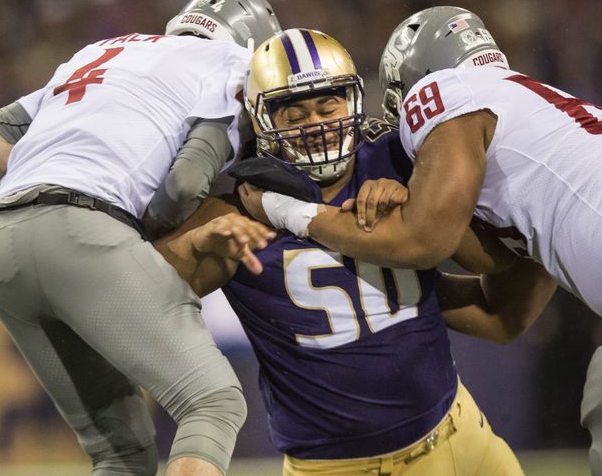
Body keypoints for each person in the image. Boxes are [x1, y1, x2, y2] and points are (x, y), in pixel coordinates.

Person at [239, 7, 602, 476]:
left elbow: (424, 242)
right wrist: (385, 283)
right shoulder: (529, 117)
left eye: (328, 105)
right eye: (296, 112)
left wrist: (289, 211)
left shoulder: (446, 94)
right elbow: (504, 314)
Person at [158, 28, 533, 475]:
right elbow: (144, 295)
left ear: (353, 100)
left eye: (326, 105)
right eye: (293, 114)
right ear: (262, 123)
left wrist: (418, 208)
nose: (315, 125)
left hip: (459, 434)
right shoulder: (239, 204)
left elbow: (496, 260)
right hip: (334, 468)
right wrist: (195, 243)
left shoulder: (399, 159)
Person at [0, 0, 281, 476]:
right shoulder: (230, 66)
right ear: (254, 43)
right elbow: (186, 184)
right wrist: (121, 227)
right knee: (212, 402)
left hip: (0, 244)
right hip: (86, 235)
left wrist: (48, 182)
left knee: (121, 452)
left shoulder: (104, 50)